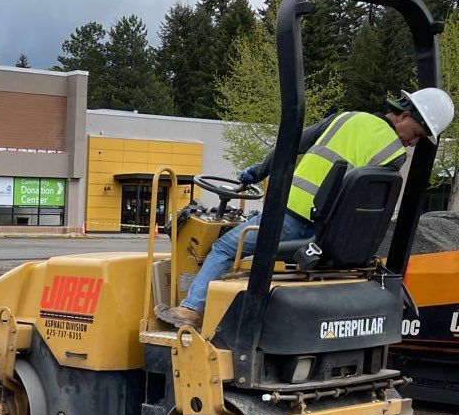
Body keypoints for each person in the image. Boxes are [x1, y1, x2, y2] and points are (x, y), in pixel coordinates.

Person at [160, 87, 455, 328]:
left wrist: (257, 172)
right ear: (402, 116)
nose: (412, 143)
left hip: (288, 218)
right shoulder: (394, 156)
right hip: (325, 234)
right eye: (415, 134)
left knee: (225, 248)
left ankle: (191, 309)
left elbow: (290, 143)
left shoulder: (345, 119)